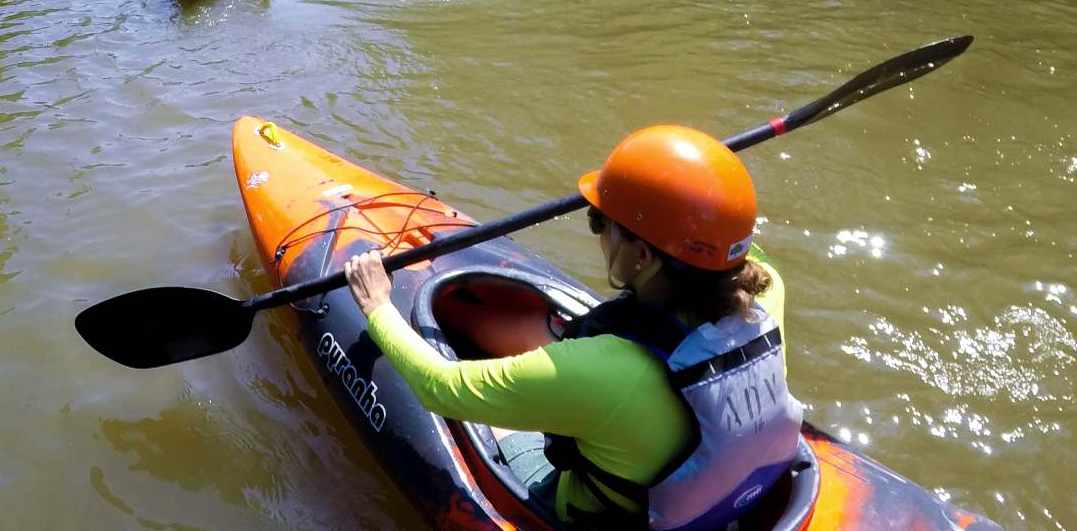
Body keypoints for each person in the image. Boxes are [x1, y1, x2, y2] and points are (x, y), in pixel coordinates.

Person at [344, 125, 804, 530]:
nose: (599, 233)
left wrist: (379, 307)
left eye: (601, 222)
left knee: (492, 419)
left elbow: (440, 387)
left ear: (642, 256)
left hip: (596, 514)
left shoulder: (603, 372)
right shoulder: (766, 294)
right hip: (714, 496)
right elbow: (734, 243)